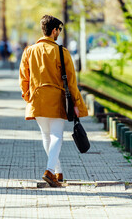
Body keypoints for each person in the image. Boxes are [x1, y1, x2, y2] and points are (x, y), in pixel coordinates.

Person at [19, 15, 88, 187]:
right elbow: (71, 82)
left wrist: (28, 97)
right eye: (59, 30)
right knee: (57, 135)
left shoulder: (29, 51)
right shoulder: (61, 52)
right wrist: (77, 104)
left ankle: (58, 172)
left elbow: (23, 78)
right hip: (57, 98)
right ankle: (49, 171)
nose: (59, 33)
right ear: (54, 30)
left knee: (46, 135)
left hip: (37, 98)